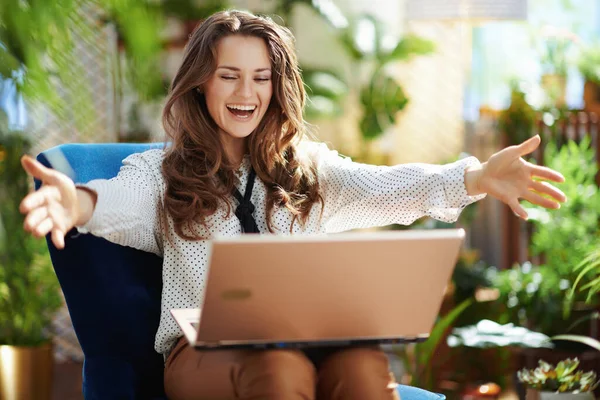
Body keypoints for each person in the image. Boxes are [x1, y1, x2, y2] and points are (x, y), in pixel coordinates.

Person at [19, 9, 566, 400]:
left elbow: (387, 187)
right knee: (279, 369)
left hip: (309, 343)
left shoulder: (306, 169)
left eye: (261, 77)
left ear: (277, 86)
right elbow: (112, 202)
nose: (246, 92)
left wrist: (473, 177)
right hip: (200, 358)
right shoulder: (163, 173)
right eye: (229, 76)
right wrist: (76, 201)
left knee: (360, 364)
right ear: (201, 86)